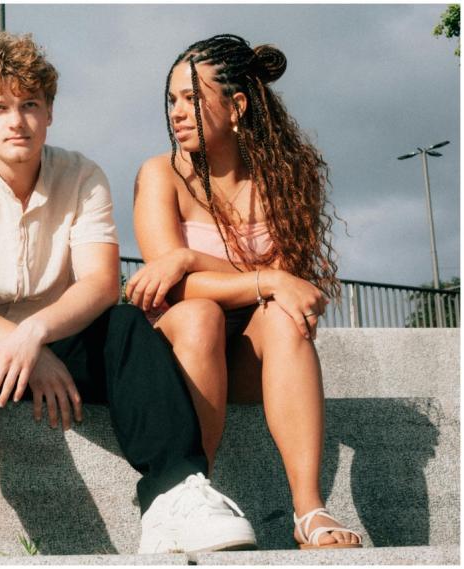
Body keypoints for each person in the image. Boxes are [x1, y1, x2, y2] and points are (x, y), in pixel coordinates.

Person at [0, 32, 256, 560]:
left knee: (127, 325)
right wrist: (17, 345)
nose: (17, 121)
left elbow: (100, 283)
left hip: (61, 340)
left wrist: (36, 336)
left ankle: (176, 491)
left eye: (30, 105)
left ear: (49, 112)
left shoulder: (83, 176)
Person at [127, 34, 362, 549]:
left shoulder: (288, 176)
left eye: (191, 98)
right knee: (202, 313)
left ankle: (309, 509)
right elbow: (174, 286)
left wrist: (195, 258)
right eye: (171, 99)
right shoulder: (160, 175)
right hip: (181, 352)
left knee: (282, 317)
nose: (177, 112)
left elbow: (293, 291)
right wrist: (263, 277)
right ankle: (192, 496)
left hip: (252, 358)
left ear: (236, 106)